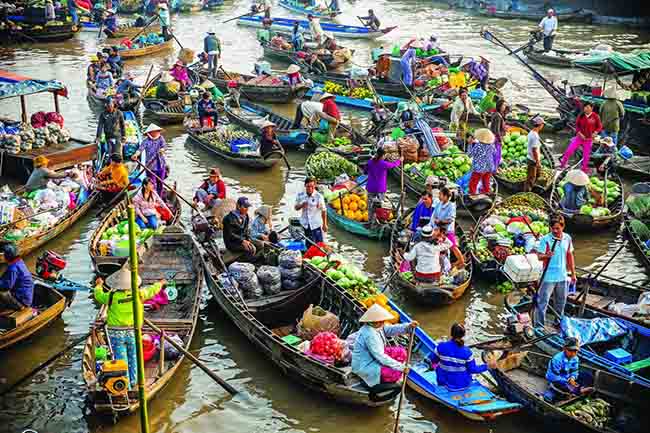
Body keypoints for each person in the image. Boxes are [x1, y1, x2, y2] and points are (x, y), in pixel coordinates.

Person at [94, 269, 165, 390]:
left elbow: (99, 296)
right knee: (134, 356)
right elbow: (152, 290)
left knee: (121, 359)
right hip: (133, 331)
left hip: (116, 334)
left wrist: (98, 285)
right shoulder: (138, 293)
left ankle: (125, 384)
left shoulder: (112, 296)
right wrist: (161, 283)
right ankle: (133, 381)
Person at [351, 304, 417, 390]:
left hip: (374, 356)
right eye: (381, 321)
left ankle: (393, 366)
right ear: (375, 321)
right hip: (365, 365)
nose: (383, 323)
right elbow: (380, 356)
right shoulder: (369, 334)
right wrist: (401, 367)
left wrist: (408, 326)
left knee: (401, 351)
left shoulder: (377, 327)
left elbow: (390, 329)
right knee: (395, 373)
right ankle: (378, 382)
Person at [534, 214, 576, 328]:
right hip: (548, 276)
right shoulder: (545, 240)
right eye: (553, 228)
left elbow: (569, 255)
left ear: (563, 227)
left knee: (561, 302)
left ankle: (558, 323)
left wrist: (573, 274)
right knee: (543, 302)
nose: (555, 231)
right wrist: (546, 255)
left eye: (558, 228)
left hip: (562, 276)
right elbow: (539, 256)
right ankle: (539, 326)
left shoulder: (567, 238)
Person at [429, 323, 494, 390]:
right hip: (464, 384)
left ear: (451, 334)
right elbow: (473, 369)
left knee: (436, 365)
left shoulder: (441, 346)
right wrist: (487, 366)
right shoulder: (467, 352)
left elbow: (433, 360)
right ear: (463, 335)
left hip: (444, 383)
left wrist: (436, 366)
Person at [544, 337, 593, 401]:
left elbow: (575, 371)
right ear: (564, 349)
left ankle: (577, 389)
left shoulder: (575, 358)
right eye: (570, 350)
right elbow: (552, 377)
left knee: (587, 375)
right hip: (557, 380)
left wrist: (572, 378)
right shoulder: (557, 359)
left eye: (575, 351)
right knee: (549, 396)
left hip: (568, 378)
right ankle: (577, 390)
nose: (573, 353)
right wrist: (567, 381)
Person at [560, 102, 602, 173]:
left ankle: (584, 169)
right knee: (569, 151)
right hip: (579, 138)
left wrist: (595, 132)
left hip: (588, 139)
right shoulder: (581, 115)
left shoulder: (595, 116)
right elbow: (577, 126)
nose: (586, 109)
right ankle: (562, 165)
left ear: (592, 108)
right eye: (585, 107)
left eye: (588, 107)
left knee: (586, 155)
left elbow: (599, 126)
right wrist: (580, 134)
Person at [366, 147, 401, 226]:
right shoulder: (383, 164)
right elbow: (394, 164)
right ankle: (378, 222)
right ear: (383, 155)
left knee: (370, 205)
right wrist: (400, 160)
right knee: (379, 207)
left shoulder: (370, 162)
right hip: (380, 188)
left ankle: (369, 221)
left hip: (371, 187)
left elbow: (365, 171)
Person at [132, 123, 168, 195]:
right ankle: (153, 198)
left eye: (158, 131)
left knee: (160, 183)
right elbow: (140, 149)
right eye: (156, 131)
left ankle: (159, 198)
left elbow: (164, 147)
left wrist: (162, 150)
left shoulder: (161, 138)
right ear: (151, 132)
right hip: (150, 166)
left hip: (161, 164)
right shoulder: (146, 141)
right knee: (152, 184)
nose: (157, 132)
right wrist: (136, 155)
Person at [0, 243, 34, 312]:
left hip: (22, 301)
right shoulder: (19, 262)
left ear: (7, 255)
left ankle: (19, 307)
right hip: (24, 296)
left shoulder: (13, 269)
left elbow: (6, 286)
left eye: (1, 255)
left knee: (2, 293)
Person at [295, 177, 328, 243]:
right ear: (305, 185)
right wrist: (302, 205)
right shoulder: (300, 195)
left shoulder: (319, 196)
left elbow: (324, 210)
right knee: (308, 244)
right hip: (305, 224)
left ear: (314, 186)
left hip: (316, 224)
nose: (310, 188)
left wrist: (324, 224)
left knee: (319, 244)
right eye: (308, 186)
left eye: (312, 186)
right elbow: (296, 208)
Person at [468, 128, 496, 195]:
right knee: (486, 182)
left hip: (479, 168)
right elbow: (494, 152)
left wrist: (469, 144)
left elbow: (470, 155)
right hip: (489, 167)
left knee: (473, 183)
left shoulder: (478, 145)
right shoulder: (492, 145)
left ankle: (473, 196)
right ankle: (487, 194)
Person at [526, 116, 545, 192]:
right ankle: (527, 192)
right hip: (532, 159)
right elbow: (534, 150)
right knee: (531, 178)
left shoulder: (531, 132)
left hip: (531, 158)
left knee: (536, 175)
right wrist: (537, 161)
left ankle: (535, 189)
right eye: (543, 125)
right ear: (540, 125)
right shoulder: (535, 136)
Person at [489, 99, 508, 170]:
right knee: (496, 155)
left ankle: (494, 168)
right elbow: (496, 130)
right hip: (496, 138)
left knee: (495, 154)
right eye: (504, 105)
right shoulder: (497, 116)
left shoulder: (498, 114)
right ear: (499, 106)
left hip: (494, 137)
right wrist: (500, 140)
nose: (504, 107)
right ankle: (494, 169)